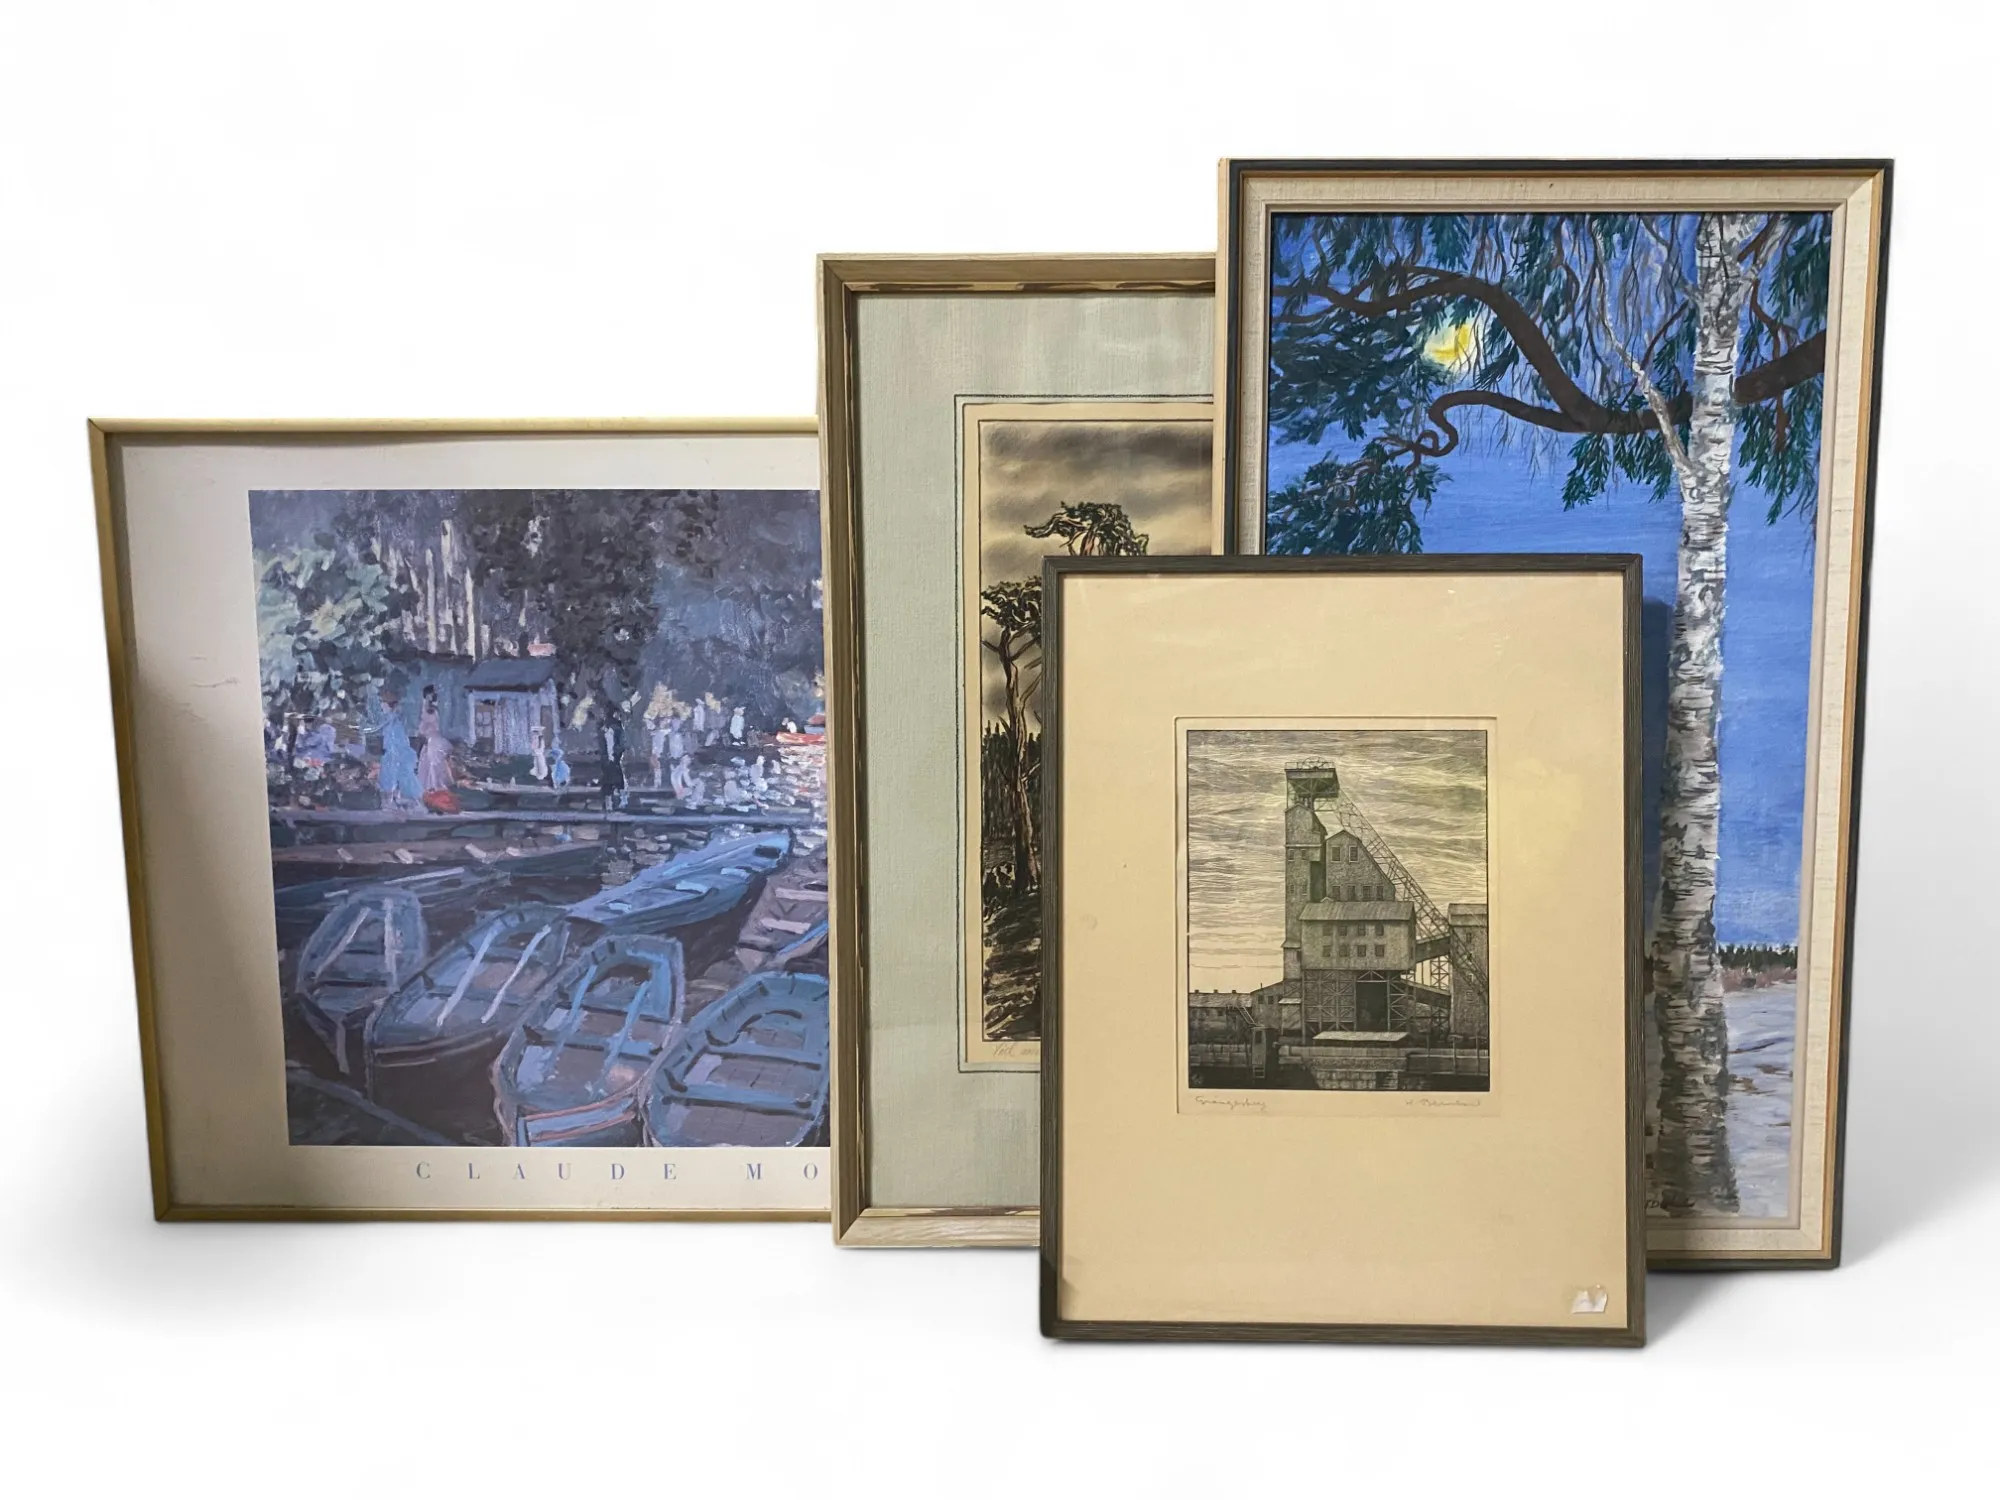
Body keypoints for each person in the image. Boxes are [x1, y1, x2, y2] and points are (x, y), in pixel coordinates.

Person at [376, 694, 421, 810]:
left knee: (399, 775)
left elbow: (399, 739)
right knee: (390, 776)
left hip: (397, 752)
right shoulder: (389, 719)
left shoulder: (394, 720)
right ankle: (392, 800)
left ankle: (405, 799)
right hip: (392, 752)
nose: (382, 707)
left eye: (384, 704)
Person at [416, 685, 456, 810]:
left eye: (433, 695)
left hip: (434, 741)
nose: (432, 697)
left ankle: (436, 794)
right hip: (431, 741)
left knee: (434, 767)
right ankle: (432, 794)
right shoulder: (428, 709)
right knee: (429, 767)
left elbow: (426, 728)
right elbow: (423, 728)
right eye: (430, 695)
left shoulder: (432, 709)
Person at [598, 710, 627, 811]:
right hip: (607, 760)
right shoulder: (603, 732)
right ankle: (609, 804)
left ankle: (622, 800)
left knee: (618, 780)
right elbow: (602, 746)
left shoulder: (617, 730)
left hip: (615, 759)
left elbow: (621, 744)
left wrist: (617, 754)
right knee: (607, 781)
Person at [648, 715, 668, 790]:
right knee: (656, 767)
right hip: (655, 750)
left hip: (657, 751)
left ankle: (657, 783)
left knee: (657, 767)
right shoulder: (657, 731)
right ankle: (657, 783)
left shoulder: (663, 731)